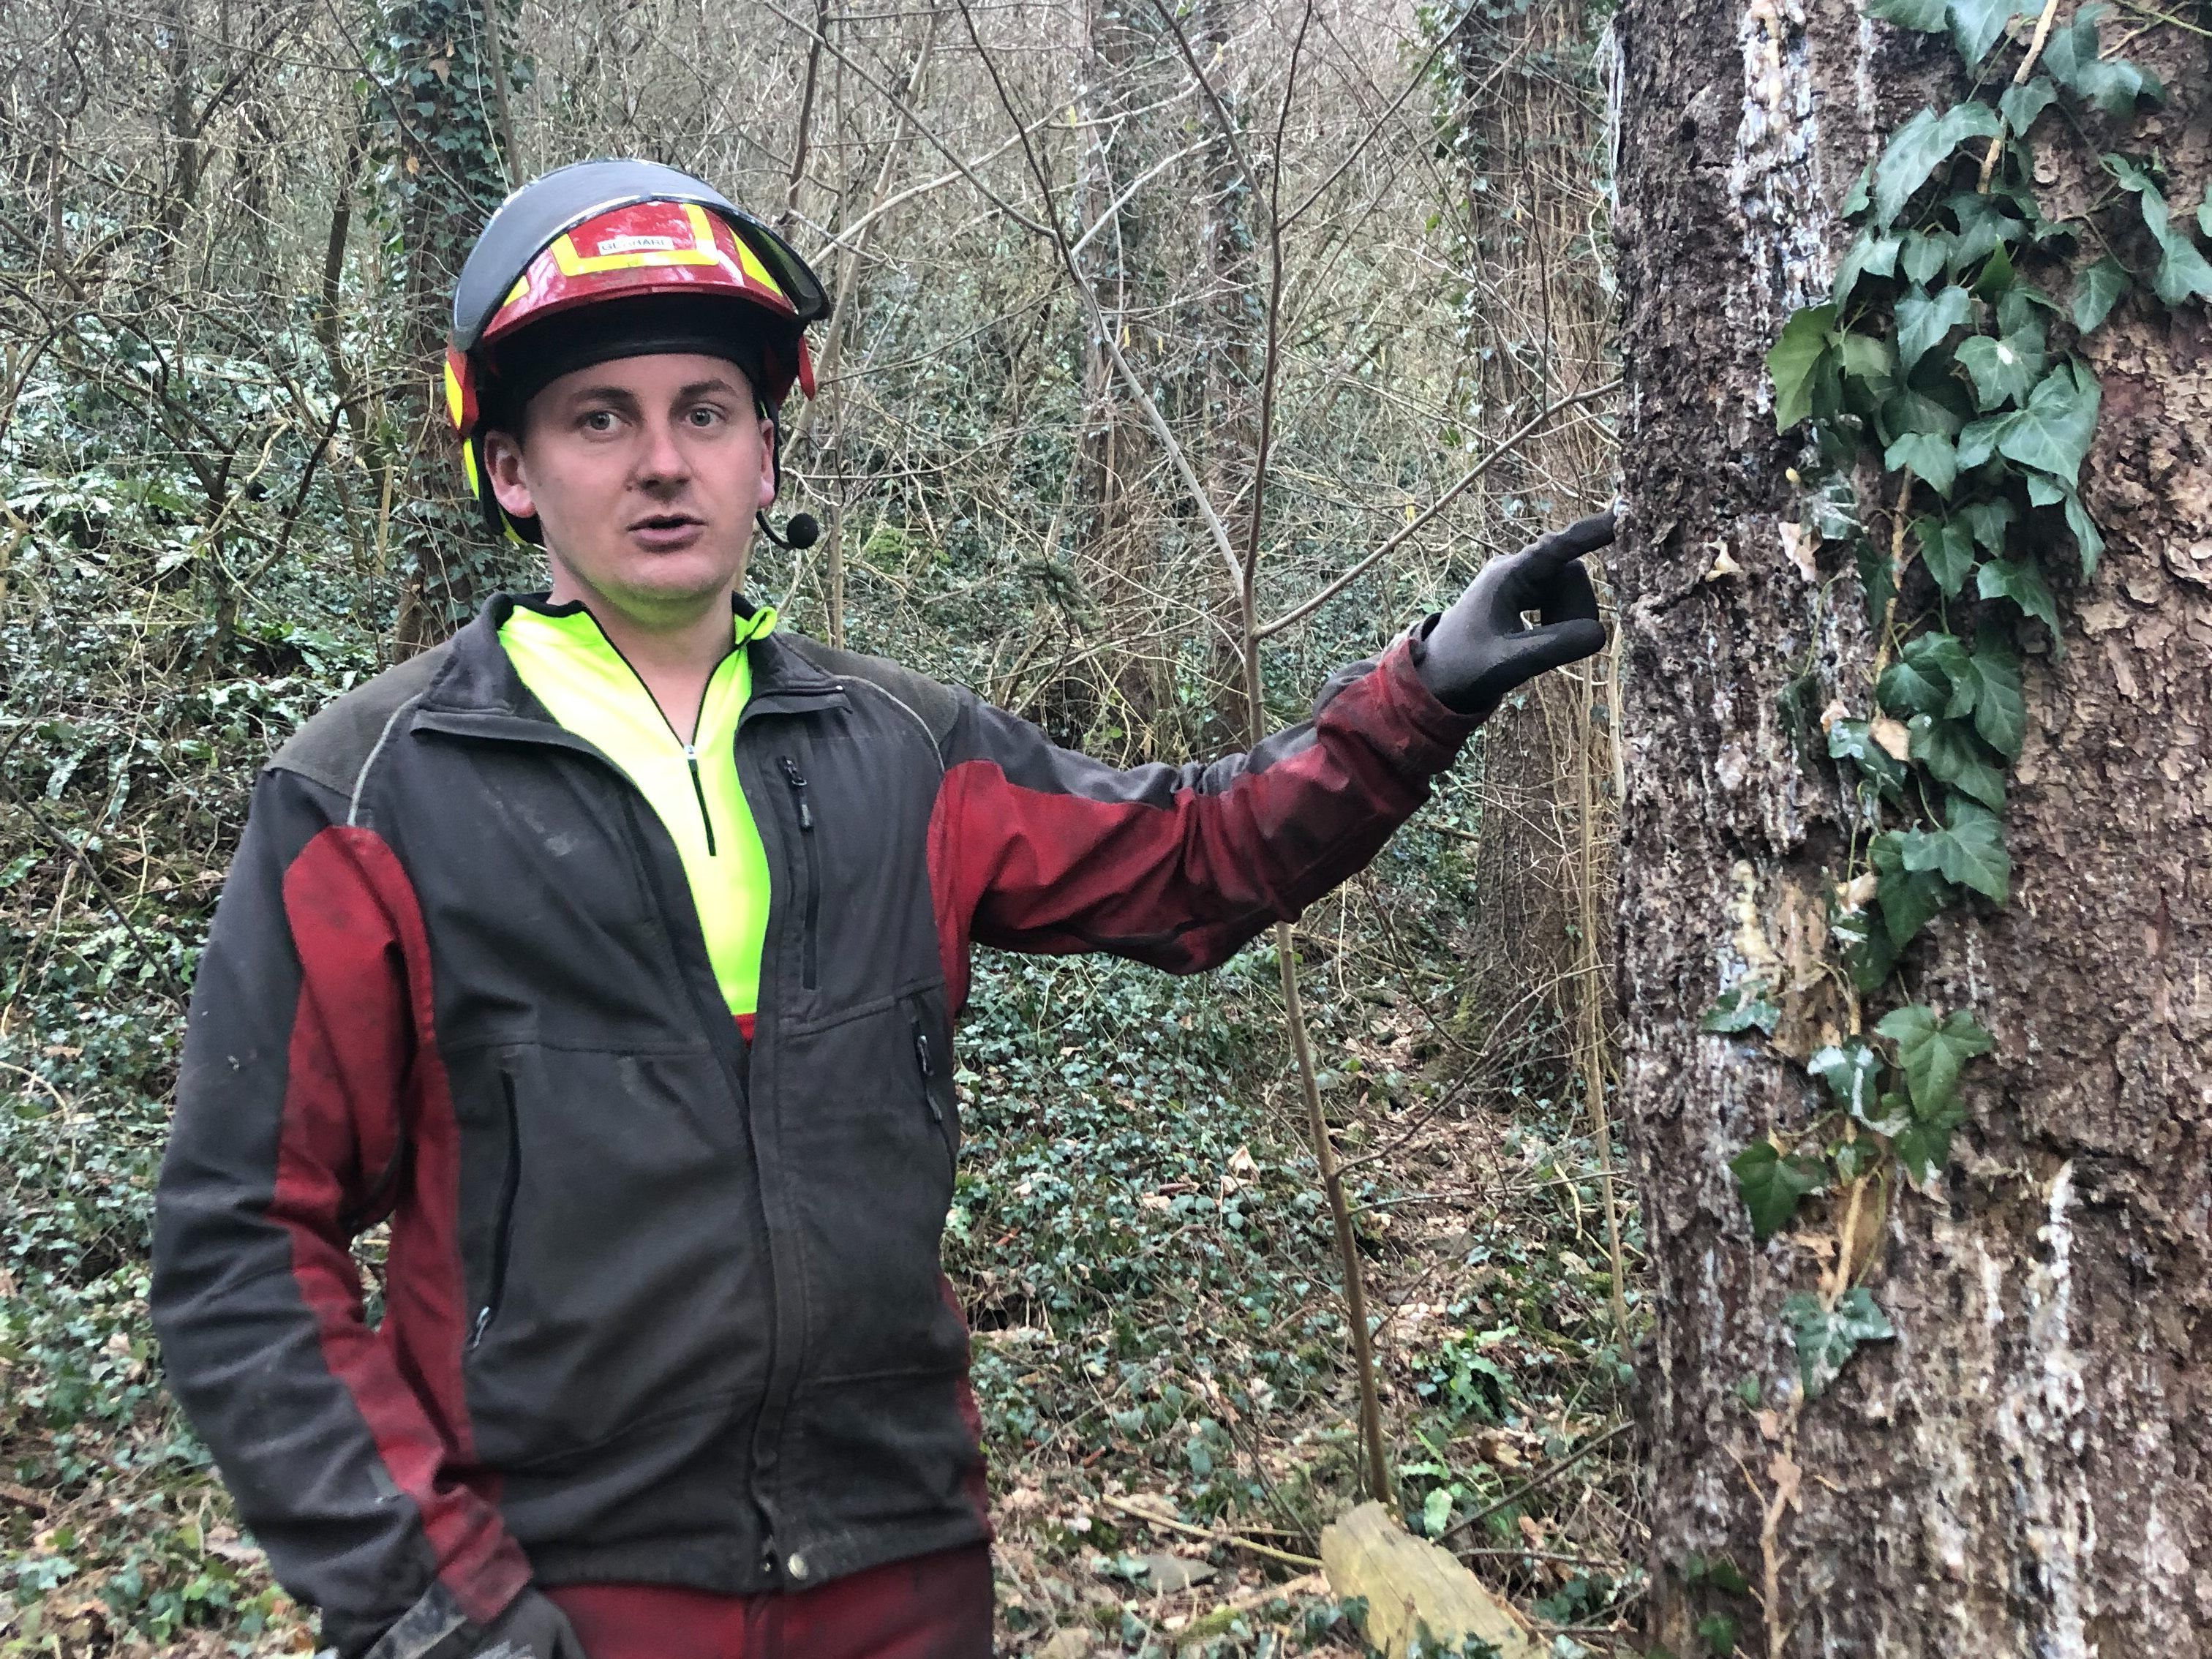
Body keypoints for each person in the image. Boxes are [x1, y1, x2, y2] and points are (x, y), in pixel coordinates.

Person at [149, 158, 1612, 1659]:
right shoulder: (368, 797)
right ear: (512, 469)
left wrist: (1414, 698)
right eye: (602, 417)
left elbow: (1190, 857)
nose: (665, 462)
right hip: (560, 1591)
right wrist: (427, 1609)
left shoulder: (901, 751)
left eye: (705, 412)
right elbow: (243, 1244)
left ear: (763, 460)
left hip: (899, 1564)